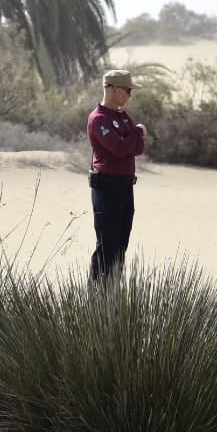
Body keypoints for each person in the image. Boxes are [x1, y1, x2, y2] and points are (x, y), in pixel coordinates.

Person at [87, 69, 148, 281]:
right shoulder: (99, 119)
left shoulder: (122, 115)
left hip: (125, 187)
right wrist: (137, 132)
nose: (130, 95)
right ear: (114, 90)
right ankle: (97, 294)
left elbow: (137, 148)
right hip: (107, 187)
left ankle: (112, 292)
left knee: (121, 243)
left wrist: (132, 136)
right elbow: (120, 148)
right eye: (127, 90)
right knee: (107, 243)